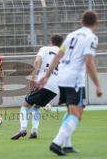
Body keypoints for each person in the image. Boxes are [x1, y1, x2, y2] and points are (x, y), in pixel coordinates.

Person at [39, 11, 103, 156]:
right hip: (74, 80)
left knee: (70, 111)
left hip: (62, 77)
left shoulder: (71, 35)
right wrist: (98, 85)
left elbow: (58, 57)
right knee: (77, 114)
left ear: (82, 22)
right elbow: (89, 62)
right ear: (96, 23)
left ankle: (67, 145)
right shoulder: (91, 37)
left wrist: (46, 76)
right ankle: (56, 143)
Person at [11, 35, 64, 140]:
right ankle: (34, 131)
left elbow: (37, 61)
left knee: (25, 105)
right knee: (36, 106)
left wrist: (33, 77)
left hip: (44, 82)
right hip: (56, 87)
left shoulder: (45, 49)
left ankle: (23, 129)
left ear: (50, 41)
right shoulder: (63, 54)